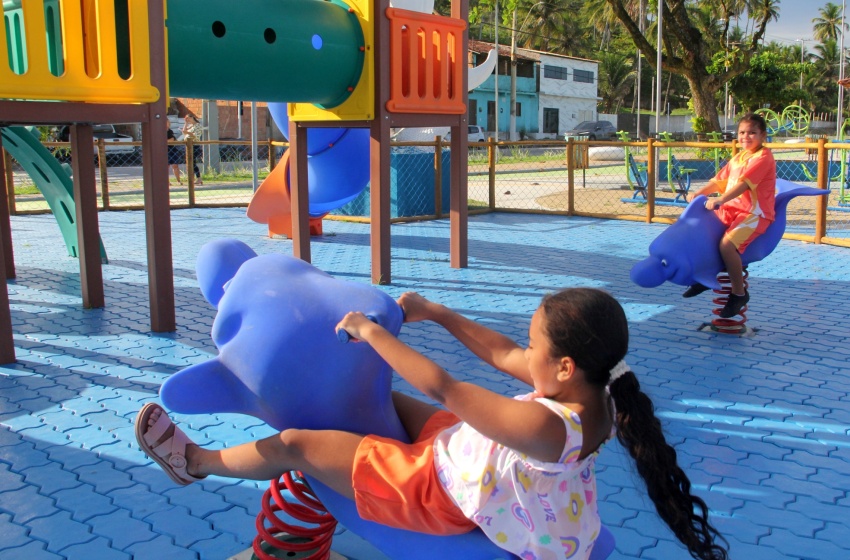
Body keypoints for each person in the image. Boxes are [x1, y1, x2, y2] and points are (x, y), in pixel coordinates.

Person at [135, 288, 728, 560]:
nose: (525, 350)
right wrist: (437, 312)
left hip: (441, 490)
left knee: (297, 444)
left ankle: (196, 465)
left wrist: (376, 335)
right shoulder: (600, 390)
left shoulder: (547, 429)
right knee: (386, 398)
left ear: (565, 366)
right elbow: (499, 355)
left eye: (535, 343)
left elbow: (445, 387)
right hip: (475, 456)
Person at [682, 112, 776, 318]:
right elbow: (719, 181)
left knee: (726, 244)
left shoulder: (763, 157)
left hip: (754, 214)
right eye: (742, 132)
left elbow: (743, 185)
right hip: (733, 210)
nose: (746, 136)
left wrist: (720, 199)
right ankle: (705, 275)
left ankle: (738, 293)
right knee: (703, 233)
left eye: (752, 132)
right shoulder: (739, 156)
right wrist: (699, 193)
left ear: (763, 135)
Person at [182, 116, 204, 185]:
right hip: (189, 146)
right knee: (190, 162)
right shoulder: (191, 126)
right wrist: (185, 123)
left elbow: (196, 136)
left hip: (194, 145)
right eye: (186, 119)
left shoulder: (198, 126)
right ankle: (193, 178)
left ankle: (198, 178)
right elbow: (184, 132)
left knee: (192, 162)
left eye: (188, 118)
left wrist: (188, 133)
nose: (188, 120)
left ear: (192, 118)